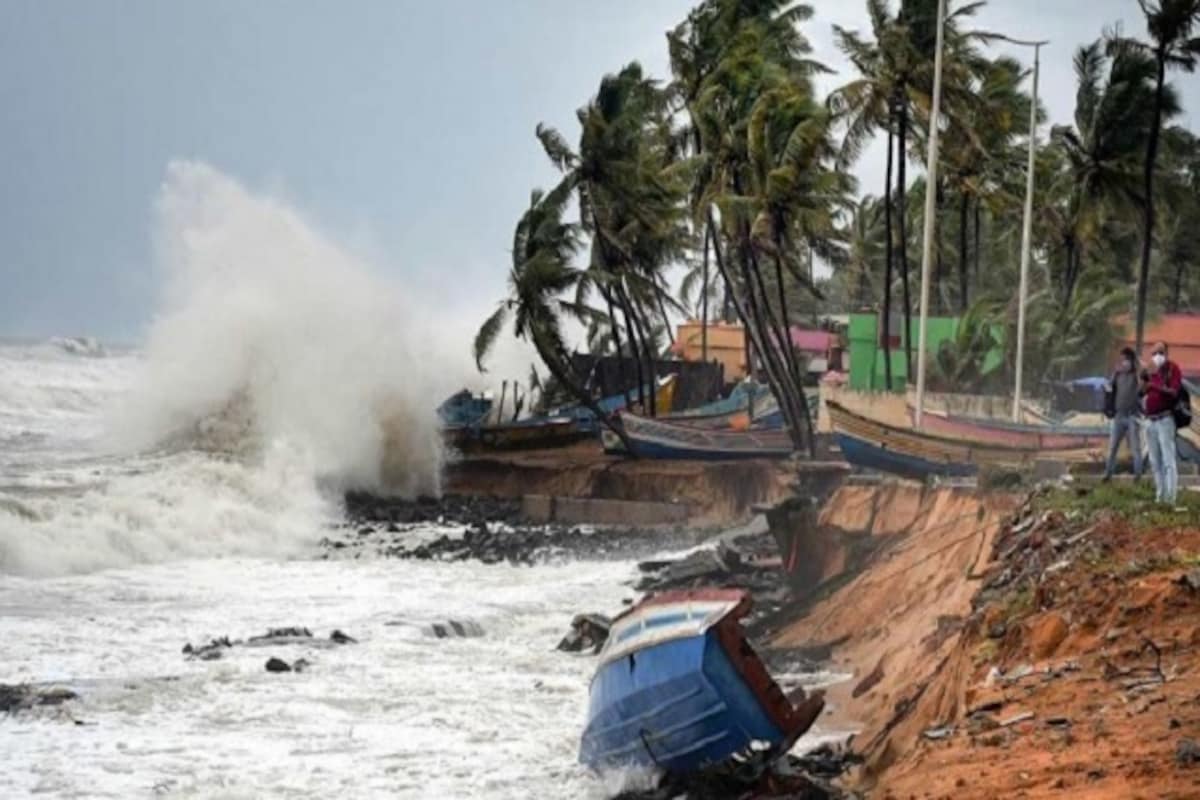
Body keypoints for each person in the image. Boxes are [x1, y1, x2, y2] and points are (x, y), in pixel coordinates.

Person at [1141, 341, 1182, 504]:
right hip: (1150, 420)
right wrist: (1144, 377)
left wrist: (1154, 385)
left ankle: (1170, 499)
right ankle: (1160, 496)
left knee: (1168, 461)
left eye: (1160, 352)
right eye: (1154, 353)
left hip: (1165, 419)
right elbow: (1141, 392)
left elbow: (1173, 392)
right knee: (1154, 461)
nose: (1156, 356)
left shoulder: (1173, 369)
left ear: (1166, 353)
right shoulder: (1150, 371)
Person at [1102, 347, 1143, 482]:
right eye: (1122, 360)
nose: (1123, 362)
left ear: (1131, 361)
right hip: (1119, 416)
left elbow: (1142, 384)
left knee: (1136, 448)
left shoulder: (1136, 375)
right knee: (1113, 446)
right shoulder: (1117, 375)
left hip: (1133, 416)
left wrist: (1137, 365)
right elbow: (1109, 388)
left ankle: (1138, 476)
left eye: (1126, 360)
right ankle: (1108, 474)